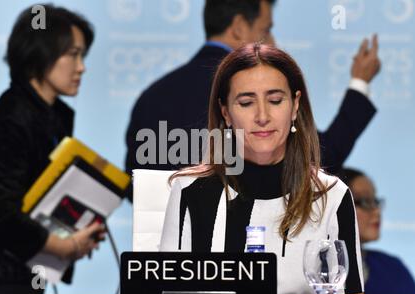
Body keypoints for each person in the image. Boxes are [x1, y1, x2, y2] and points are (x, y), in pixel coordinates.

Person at [159, 43, 364, 294]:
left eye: (275, 100)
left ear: (295, 105)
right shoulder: (191, 190)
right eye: (246, 103)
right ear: (226, 113)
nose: (262, 116)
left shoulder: (331, 195)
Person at [124, 0, 380, 201]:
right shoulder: (241, 91)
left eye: (275, 101)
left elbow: (135, 184)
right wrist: (360, 83)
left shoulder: (152, 96)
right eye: (267, 30)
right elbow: (317, 157)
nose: (274, 42)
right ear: (238, 27)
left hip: (164, 261)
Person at [0, 5, 104, 294]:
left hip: (19, 274)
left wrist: (77, 230)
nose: (82, 67)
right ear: (40, 54)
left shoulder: (48, 115)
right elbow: (0, 213)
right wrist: (64, 246)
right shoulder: (13, 118)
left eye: (83, 55)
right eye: (73, 54)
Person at [338, 167, 415, 294]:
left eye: (375, 201)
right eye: (365, 201)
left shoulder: (392, 268)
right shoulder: (318, 273)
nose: (376, 211)